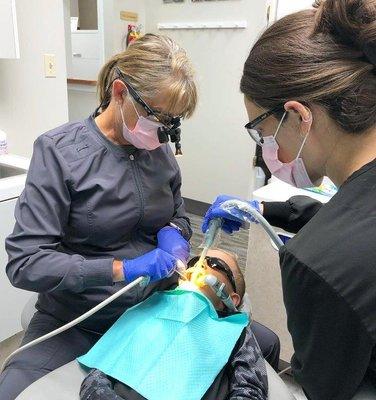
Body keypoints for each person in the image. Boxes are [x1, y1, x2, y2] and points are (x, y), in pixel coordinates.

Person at [0, 34, 197, 400]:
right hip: (77, 318)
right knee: (14, 392)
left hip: (152, 307)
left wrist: (174, 232)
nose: (163, 132)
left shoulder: (158, 150)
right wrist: (121, 270)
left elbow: (180, 218)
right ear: (120, 93)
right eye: (156, 116)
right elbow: (26, 262)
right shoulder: (59, 153)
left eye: (172, 122)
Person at [202, 1, 376, 399]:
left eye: (263, 130)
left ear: (298, 116)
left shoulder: (316, 265)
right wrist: (261, 210)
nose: (267, 147)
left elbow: (326, 390)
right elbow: (354, 217)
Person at [79, 249, 268, 400]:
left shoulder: (235, 330)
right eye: (195, 261)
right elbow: (100, 372)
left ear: (232, 298)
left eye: (215, 264)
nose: (201, 263)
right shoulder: (153, 306)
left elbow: (250, 389)